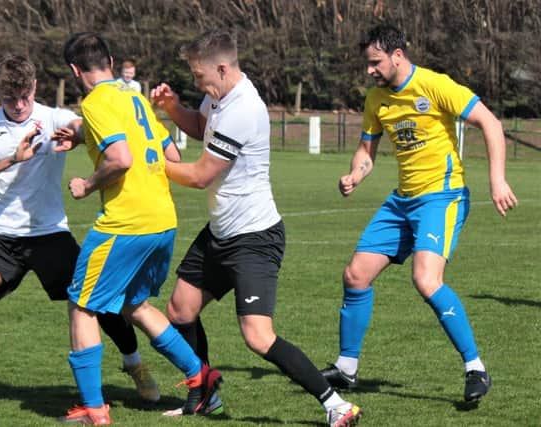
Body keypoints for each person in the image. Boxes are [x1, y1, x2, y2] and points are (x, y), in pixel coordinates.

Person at [150, 29, 362, 427]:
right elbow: (201, 127)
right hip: (221, 231)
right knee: (180, 309)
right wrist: (173, 108)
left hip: (254, 237)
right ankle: (203, 395)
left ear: (223, 68)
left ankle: (336, 404)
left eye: (199, 75)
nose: (198, 82)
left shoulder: (243, 108)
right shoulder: (218, 97)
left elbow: (198, 175)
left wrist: (150, 165)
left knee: (258, 336)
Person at [320, 24, 518, 402]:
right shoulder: (376, 99)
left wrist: (498, 181)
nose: (370, 70)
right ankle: (346, 368)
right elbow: (366, 151)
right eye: (367, 64)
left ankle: (475, 368)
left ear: (397, 55)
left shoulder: (434, 85)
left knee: (426, 280)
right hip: (402, 200)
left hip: (441, 197)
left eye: (375, 62)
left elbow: (490, 123)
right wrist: (355, 174)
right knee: (355, 275)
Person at [0, 54, 159, 412]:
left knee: (94, 300)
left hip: (50, 235)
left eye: (24, 97)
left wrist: (77, 137)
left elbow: (85, 126)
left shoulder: (52, 118)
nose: (18, 106)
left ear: (34, 87)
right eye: (9, 98)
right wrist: (13, 159)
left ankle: (135, 364)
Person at [58, 32, 222, 425]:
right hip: (162, 218)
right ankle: (200, 374)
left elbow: (120, 158)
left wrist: (86, 184)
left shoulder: (94, 101)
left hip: (125, 222)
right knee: (135, 305)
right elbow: (171, 152)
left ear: (74, 70)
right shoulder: (134, 97)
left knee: (82, 306)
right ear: (111, 61)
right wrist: (83, 135)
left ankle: (94, 409)